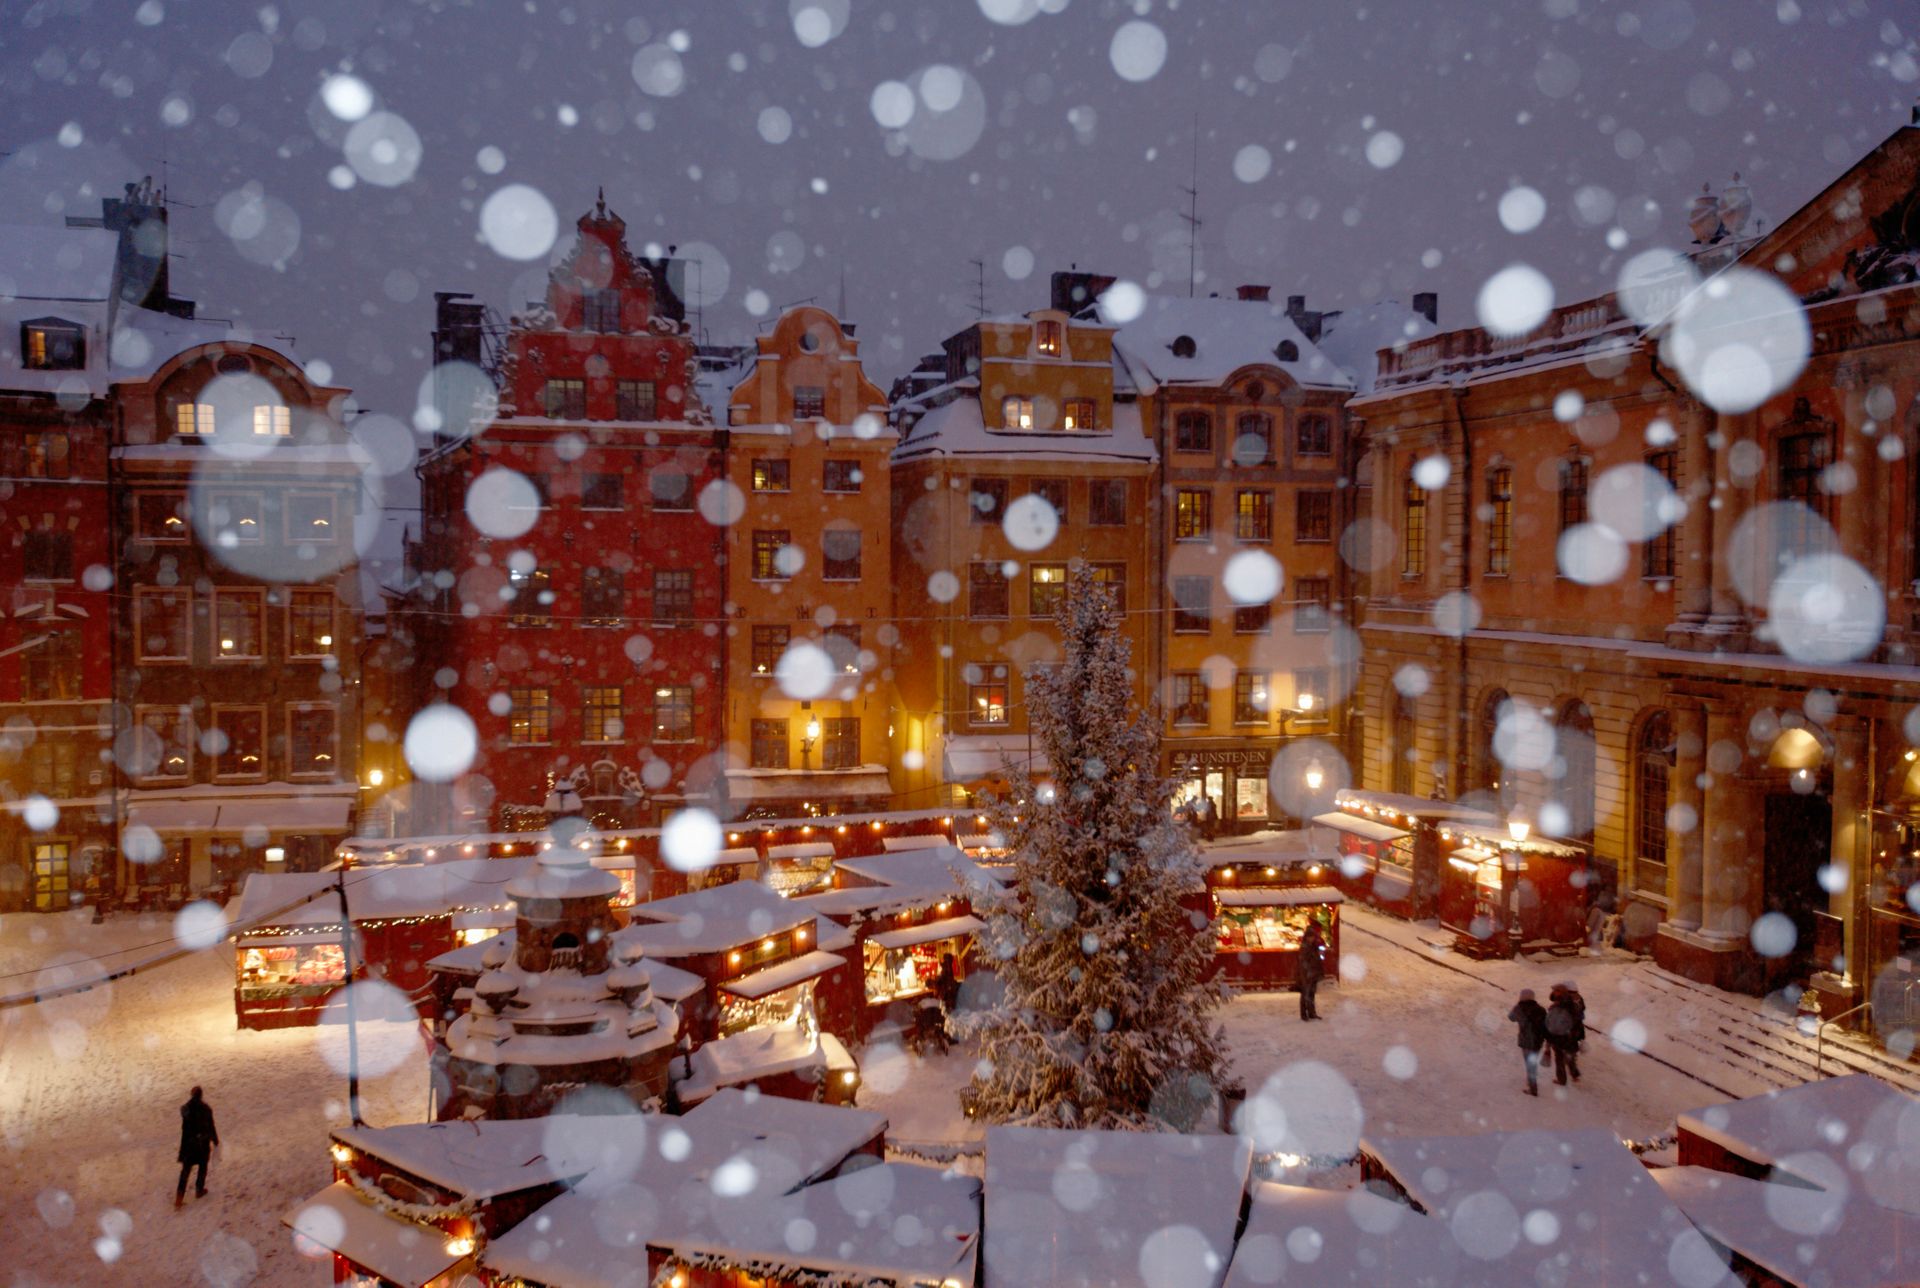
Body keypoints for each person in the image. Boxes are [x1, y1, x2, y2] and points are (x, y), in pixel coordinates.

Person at [175, 1086, 219, 1207]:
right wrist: (215, 1140)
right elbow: (211, 1126)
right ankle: (199, 1190)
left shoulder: (186, 1109)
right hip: (202, 1144)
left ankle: (179, 1197)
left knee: (185, 1171)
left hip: (188, 1145)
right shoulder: (206, 1109)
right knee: (203, 1167)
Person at [1507, 989, 1548, 1096]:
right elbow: (1546, 1025)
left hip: (1526, 1041)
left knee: (1530, 1064)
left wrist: (1518, 1005)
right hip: (1538, 1040)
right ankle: (1530, 1080)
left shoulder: (1519, 1009)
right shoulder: (1541, 1010)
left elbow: (1511, 1018)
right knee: (1533, 1063)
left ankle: (1533, 1088)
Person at [1546, 985, 1582, 1085]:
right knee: (1569, 1056)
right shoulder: (1573, 1005)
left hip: (1560, 1037)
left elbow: (1552, 1023)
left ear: (1561, 993)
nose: (1554, 992)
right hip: (1570, 1036)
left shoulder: (1557, 1006)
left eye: (1556, 991)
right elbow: (1577, 1020)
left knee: (1560, 1058)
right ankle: (1575, 1075)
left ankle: (1562, 1080)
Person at [1296, 920, 1327, 1021]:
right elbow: (1304, 961)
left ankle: (1312, 1012)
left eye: (1313, 937)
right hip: (1307, 974)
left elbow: (1319, 958)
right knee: (1305, 993)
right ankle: (1304, 1014)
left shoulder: (1314, 946)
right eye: (1310, 937)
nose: (1312, 939)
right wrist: (1307, 971)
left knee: (1311, 994)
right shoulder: (1305, 947)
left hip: (1313, 973)